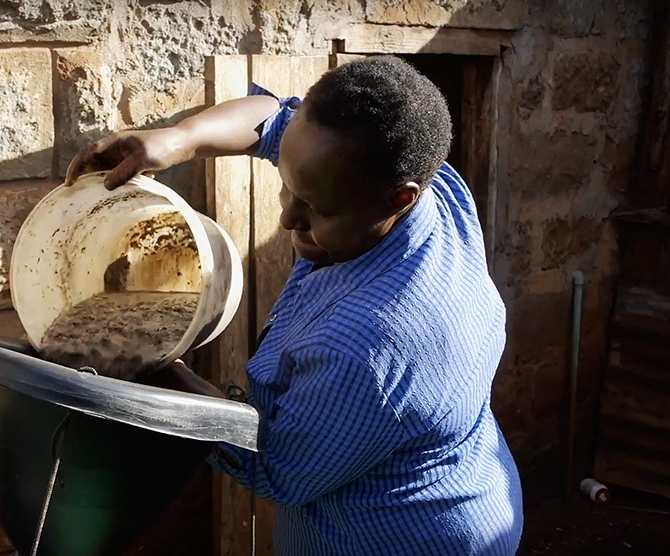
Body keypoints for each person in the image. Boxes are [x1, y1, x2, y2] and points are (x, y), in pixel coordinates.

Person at [65, 56, 523, 555]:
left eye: (318, 208)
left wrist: (147, 360)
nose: (286, 219)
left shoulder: (370, 344)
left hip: (404, 536)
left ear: (398, 200)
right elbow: (274, 116)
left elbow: (277, 467)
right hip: (459, 473)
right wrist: (178, 139)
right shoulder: (428, 181)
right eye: (287, 185)